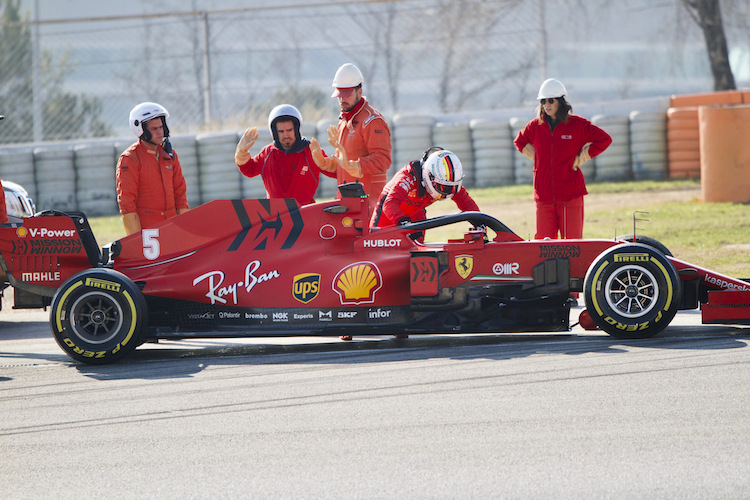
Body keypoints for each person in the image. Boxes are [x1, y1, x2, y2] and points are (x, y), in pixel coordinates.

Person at [514, 78, 612, 240]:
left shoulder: (578, 125)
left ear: (560, 102)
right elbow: (519, 142)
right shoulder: (534, 126)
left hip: (570, 196)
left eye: (551, 100)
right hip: (544, 197)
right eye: (543, 101)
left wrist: (583, 157)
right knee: (543, 246)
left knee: (572, 244)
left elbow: (604, 139)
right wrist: (537, 158)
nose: (547, 105)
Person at [235, 104, 338, 206]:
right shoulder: (267, 153)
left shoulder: (312, 151)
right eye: (281, 131)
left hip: (305, 214)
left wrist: (341, 156)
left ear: (297, 129)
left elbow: (336, 172)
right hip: (274, 215)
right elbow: (248, 169)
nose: (286, 135)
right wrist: (241, 153)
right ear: (275, 133)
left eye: (289, 130)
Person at [117, 102, 189, 236]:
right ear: (141, 130)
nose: (160, 131)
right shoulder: (130, 159)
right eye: (154, 128)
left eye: (161, 127)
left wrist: (185, 229)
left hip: (173, 225)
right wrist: (136, 240)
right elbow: (127, 204)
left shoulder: (170, 155)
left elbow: (180, 195)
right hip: (148, 231)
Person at [328, 63, 392, 212]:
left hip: (368, 203)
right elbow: (344, 166)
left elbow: (383, 159)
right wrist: (326, 164)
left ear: (359, 91)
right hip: (346, 200)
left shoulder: (372, 121)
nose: (342, 99)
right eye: (340, 95)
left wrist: (356, 165)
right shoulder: (344, 120)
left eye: (347, 94)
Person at [370, 147, 480, 231]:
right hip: (388, 215)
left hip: (416, 214)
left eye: (451, 187)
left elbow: (466, 202)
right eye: (444, 187)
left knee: (418, 254)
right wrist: (403, 223)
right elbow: (389, 203)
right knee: (377, 249)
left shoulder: (448, 182)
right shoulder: (407, 177)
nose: (447, 192)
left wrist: (479, 221)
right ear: (429, 176)